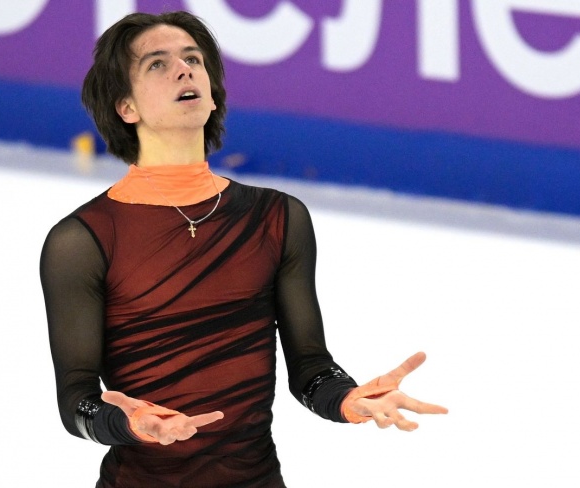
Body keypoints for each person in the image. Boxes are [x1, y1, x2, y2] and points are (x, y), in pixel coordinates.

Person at [40, 10, 447, 488]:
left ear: (212, 93)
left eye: (193, 59)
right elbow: (77, 402)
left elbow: (311, 369)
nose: (184, 70)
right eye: (157, 64)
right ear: (126, 107)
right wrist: (125, 423)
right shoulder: (82, 241)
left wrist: (345, 398)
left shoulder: (276, 218)